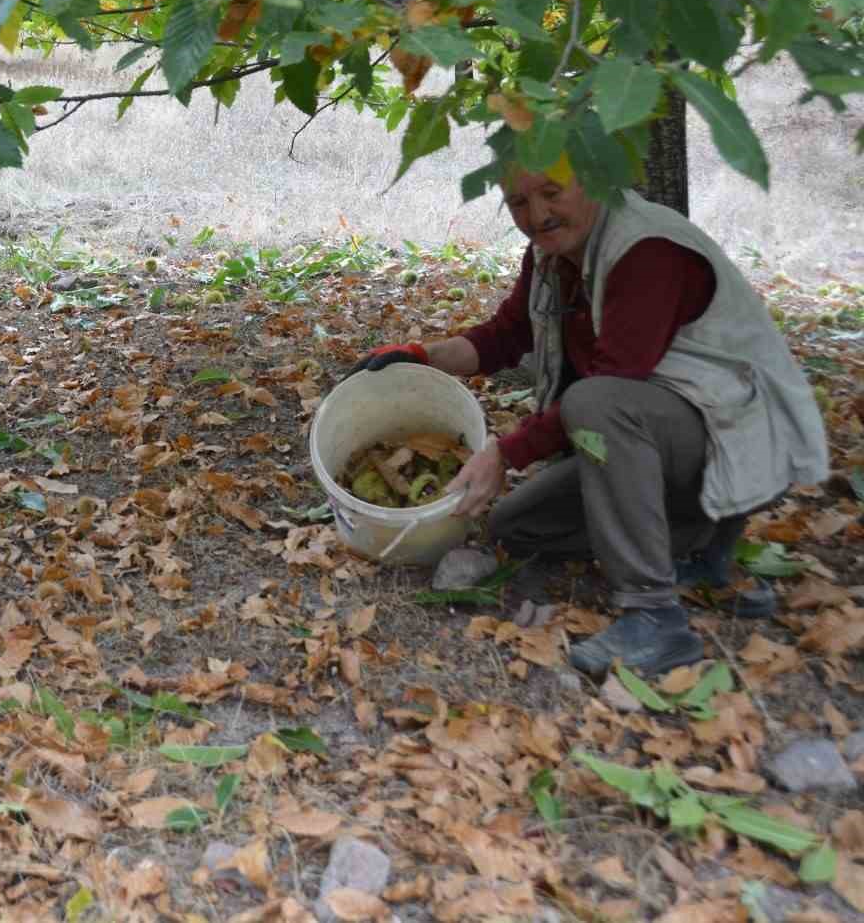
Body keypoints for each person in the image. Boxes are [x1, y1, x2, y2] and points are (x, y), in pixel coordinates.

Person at [352, 167, 828, 677]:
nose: (536, 216)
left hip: (734, 439)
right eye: (518, 203)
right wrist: (419, 356)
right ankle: (702, 549)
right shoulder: (554, 256)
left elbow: (614, 382)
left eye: (552, 193)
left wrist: (505, 454)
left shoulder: (647, 252)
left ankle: (654, 615)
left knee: (595, 405)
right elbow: (505, 337)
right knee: (515, 526)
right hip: (668, 440)